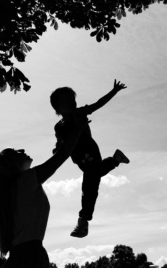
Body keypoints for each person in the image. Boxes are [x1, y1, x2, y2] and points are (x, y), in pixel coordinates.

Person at [0, 114, 87, 268]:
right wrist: (79, 127)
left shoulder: (20, 188)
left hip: (22, 263)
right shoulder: (25, 182)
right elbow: (61, 157)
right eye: (16, 151)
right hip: (28, 261)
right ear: (11, 164)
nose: (22, 149)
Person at [50, 79, 130, 238]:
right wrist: (57, 149)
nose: (72, 103)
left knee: (89, 187)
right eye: (67, 101)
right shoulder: (58, 127)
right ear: (57, 108)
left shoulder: (78, 113)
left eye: (73, 100)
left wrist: (113, 91)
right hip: (79, 159)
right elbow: (60, 142)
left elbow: (98, 104)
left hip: (90, 153)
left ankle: (83, 221)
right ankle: (116, 159)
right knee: (97, 173)